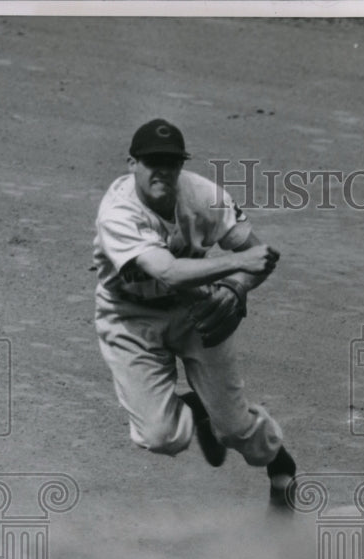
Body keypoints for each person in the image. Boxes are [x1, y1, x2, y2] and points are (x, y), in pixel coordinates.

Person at [92, 118, 297, 509]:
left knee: (235, 428)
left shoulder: (204, 195)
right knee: (160, 437)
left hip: (194, 308)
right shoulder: (117, 212)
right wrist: (237, 265)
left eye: (171, 162)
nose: (162, 170)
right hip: (129, 317)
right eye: (152, 162)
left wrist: (237, 288)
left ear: (182, 164)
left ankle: (280, 464)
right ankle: (198, 409)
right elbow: (168, 271)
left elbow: (257, 256)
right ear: (132, 163)